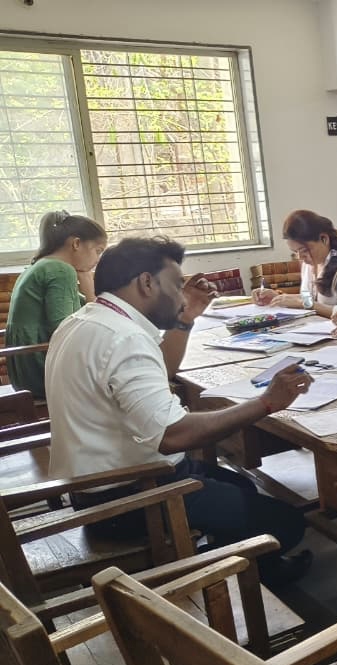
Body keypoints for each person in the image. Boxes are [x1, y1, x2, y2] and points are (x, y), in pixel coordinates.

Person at [46, 236, 314, 585]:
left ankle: (257, 567)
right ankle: (209, 575)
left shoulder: (88, 320)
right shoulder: (123, 338)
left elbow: (161, 370)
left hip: (101, 482)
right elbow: (174, 435)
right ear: (146, 283)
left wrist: (185, 318)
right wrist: (266, 403)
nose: (179, 295)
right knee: (287, 523)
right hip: (128, 497)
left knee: (243, 488)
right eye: (175, 285)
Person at [6, 211, 108, 398]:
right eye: (98, 250)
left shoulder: (42, 265)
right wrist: (89, 290)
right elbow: (67, 329)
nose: (98, 259)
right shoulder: (61, 270)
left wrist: (86, 283)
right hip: (42, 369)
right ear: (76, 244)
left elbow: (92, 313)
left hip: (25, 371)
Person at [252, 209, 337, 318]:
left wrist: (306, 304)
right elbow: (309, 297)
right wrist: (279, 298)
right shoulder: (312, 261)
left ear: (324, 239)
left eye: (304, 250)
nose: (300, 257)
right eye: (295, 252)